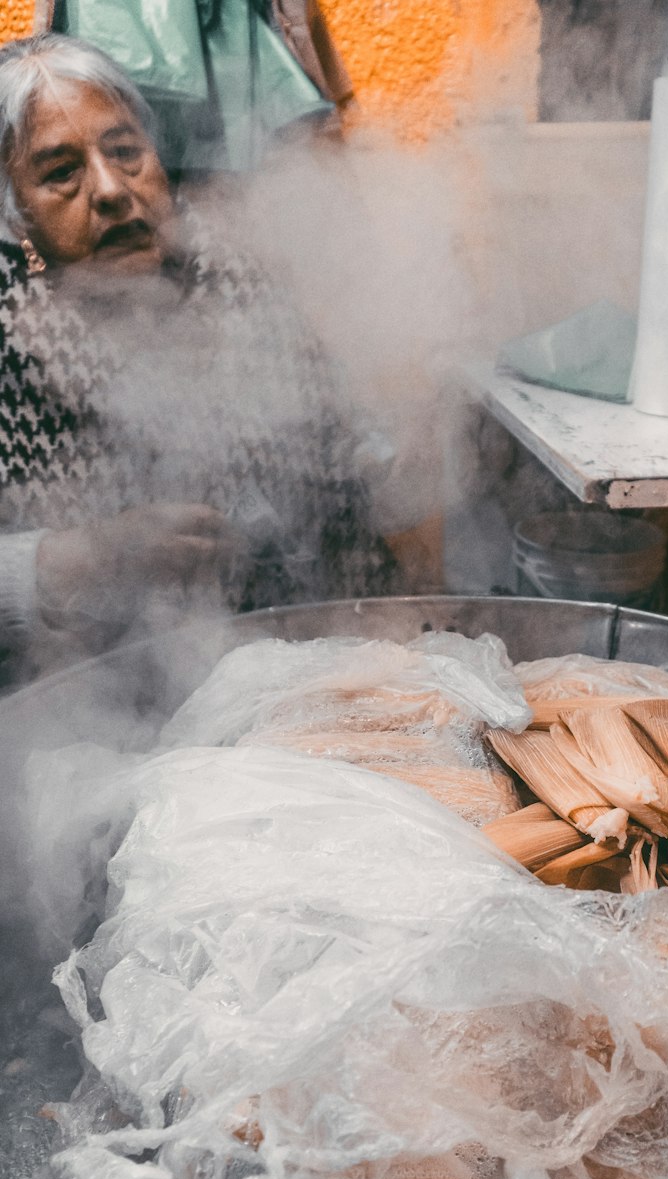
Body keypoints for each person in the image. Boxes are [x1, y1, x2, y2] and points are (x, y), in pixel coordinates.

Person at [0, 31, 395, 688]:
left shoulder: (239, 283)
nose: (110, 189)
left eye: (126, 152)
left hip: (275, 680)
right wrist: (80, 558)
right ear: (17, 222)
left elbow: (341, 512)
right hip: (71, 717)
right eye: (60, 171)